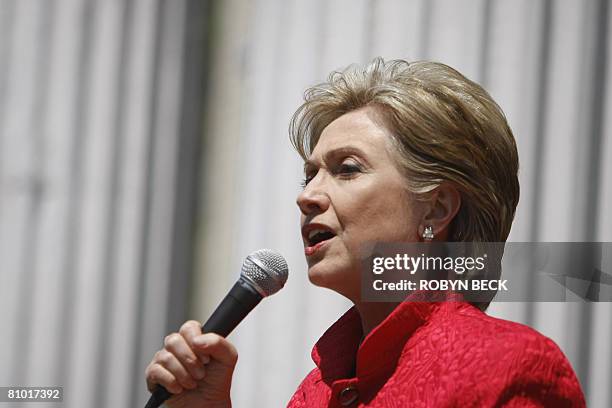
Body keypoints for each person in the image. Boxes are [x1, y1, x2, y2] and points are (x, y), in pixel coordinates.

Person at [145, 59, 586, 407]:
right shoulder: (316, 390)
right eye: (309, 175)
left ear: (436, 207)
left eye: (347, 169)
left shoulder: (511, 366)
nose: (308, 197)